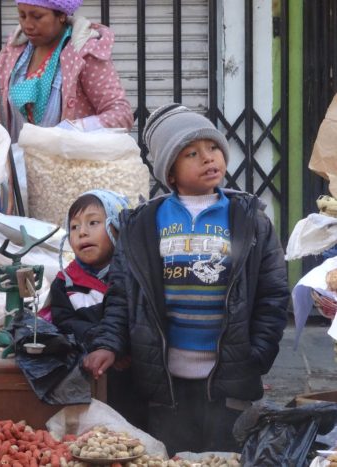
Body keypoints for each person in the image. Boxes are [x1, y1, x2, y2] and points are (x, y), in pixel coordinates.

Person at [81, 103, 290, 455]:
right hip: (165, 384)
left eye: (213, 148)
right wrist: (108, 343)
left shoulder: (249, 219)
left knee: (226, 459)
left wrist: (259, 353)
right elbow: (122, 297)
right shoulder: (144, 224)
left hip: (231, 382)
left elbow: (273, 293)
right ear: (170, 173)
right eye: (192, 153)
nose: (208, 158)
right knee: (173, 457)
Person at [39, 189, 147, 429]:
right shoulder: (65, 283)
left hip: (138, 381)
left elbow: (142, 320)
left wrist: (121, 348)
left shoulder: (137, 276)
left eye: (93, 222)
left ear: (116, 228)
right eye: (74, 227)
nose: (83, 232)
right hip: (93, 379)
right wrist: (102, 343)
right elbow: (65, 322)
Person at [0, 0, 133, 144]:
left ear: (61, 15)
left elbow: (120, 114)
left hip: (66, 164)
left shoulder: (83, 53)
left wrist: (72, 130)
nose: (28, 25)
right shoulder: (14, 49)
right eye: (22, 15)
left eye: (37, 17)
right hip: (16, 164)